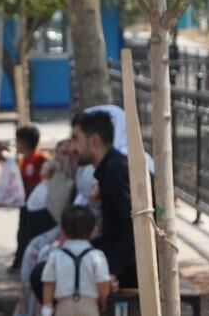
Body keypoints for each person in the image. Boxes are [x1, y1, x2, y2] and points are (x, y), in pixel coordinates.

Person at [71, 110, 136, 288]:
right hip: (113, 253)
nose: (72, 148)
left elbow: (134, 226)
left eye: (76, 139)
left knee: (46, 275)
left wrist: (112, 270)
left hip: (129, 266)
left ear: (94, 141)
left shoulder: (116, 170)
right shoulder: (109, 169)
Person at [41, 206, 111, 316]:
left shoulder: (55, 256)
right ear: (93, 230)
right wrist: (103, 299)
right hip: (89, 305)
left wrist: (47, 307)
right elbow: (103, 282)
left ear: (62, 231)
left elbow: (49, 283)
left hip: (64, 305)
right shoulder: (97, 256)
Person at [12, 125, 47, 271]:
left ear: (24, 142)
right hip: (24, 202)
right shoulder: (23, 160)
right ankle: (19, 260)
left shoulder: (39, 159)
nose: (16, 144)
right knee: (22, 232)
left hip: (35, 205)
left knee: (29, 233)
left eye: (17, 141)